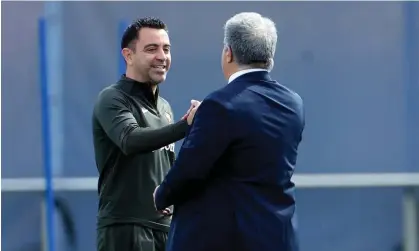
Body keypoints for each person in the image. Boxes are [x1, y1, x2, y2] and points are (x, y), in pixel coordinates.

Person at [154, 12, 305, 251]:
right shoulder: (293, 103)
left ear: (229, 53)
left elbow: (190, 169)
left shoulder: (220, 106)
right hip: (277, 237)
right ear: (270, 56)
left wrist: (161, 194)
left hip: (226, 240)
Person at [92, 17, 199, 251]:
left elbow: (169, 168)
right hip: (126, 228)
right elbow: (130, 139)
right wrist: (185, 126)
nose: (162, 56)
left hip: (165, 229)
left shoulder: (165, 108)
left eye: (166, 49)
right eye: (152, 49)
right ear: (128, 55)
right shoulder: (112, 98)